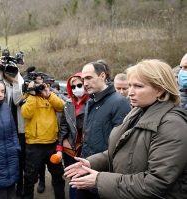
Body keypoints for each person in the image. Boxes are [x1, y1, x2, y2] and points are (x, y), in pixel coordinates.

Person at [65, 59, 187, 199]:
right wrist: (92, 162)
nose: (130, 93)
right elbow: (120, 149)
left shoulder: (172, 125)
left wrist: (99, 180)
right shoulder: (137, 112)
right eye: (130, 86)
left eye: (138, 86)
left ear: (159, 89)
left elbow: (156, 183)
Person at [79, 62, 131, 198]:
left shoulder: (119, 103)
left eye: (89, 78)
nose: (85, 83)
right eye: (83, 79)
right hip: (86, 169)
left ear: (102, 76)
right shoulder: (91, 101)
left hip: (103, 178)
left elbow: (122, 145)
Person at [21, 76, 66, 199]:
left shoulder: (50, 97)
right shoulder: (28, 98)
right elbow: (26, 113)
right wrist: (32, 94)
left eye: (41, 84)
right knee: (30, 178)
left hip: (52, 143)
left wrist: (48, 95)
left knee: (58, 176)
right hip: (34, 145)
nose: (39, 87)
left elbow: (63, 107)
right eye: (37, 85)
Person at [0, 60, 26, 197]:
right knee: (9, 160)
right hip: (6, 129)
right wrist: (0, 74)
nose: (10, 72)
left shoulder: (21, 83)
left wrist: (16, 80)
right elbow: (1, 100)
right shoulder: (1, 85)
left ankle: (20, 189)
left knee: (21, 161)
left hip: (20, 130)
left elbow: (18, 101)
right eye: (8, 69)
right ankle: (10, 187)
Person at [54, 72, 89, 199]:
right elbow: (63, 128)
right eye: (73, 87)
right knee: (74, 180)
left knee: (86, 182)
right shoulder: (68, 104)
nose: (76, 89)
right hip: (70, 150)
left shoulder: (93, 103)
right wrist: (59, 149)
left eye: (79, 85)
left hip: (88, 150)